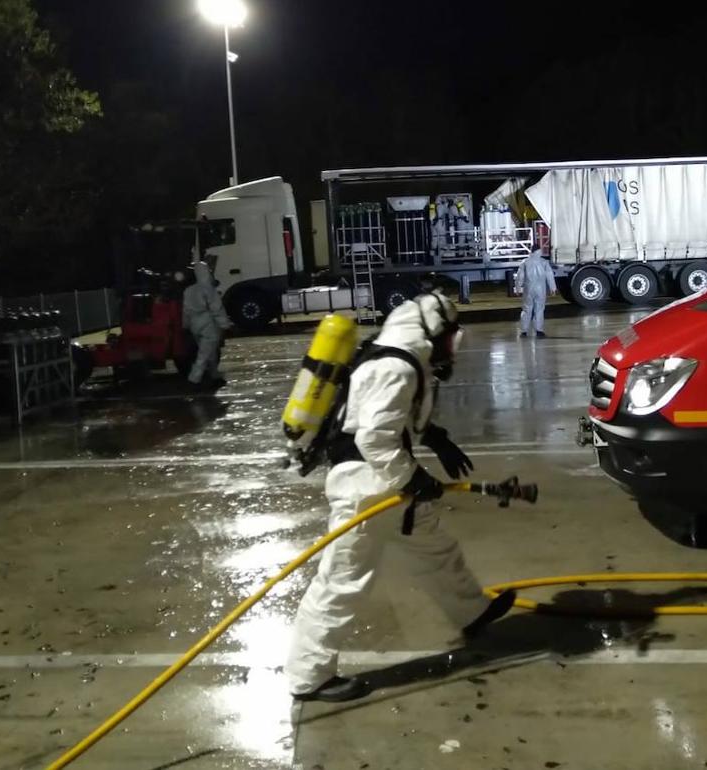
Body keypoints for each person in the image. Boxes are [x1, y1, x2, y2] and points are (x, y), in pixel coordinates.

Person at [286, 292, 516, 703]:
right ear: (431, 329)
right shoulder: (394, 366)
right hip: (365, 488)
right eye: (449, 335)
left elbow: (394, 418)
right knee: (341, 582)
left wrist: (435, 438)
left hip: (382, 484)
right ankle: (309, 677)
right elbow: (374, 435)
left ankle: (471, 612)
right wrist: (411, 478)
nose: (452, 345)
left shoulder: (399, 357)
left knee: (434, 547)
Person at [182, 260, 230, 390]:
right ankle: (194, 379)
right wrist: (225, 325)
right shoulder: (208, 289)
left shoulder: (189, 290)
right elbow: (217, 308)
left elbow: (186, 310)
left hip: (194, 324)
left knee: (210, 352)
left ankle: (215, 377)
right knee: (204, 354)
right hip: (208, 323)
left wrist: (186, 325)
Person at [517, 248, 557, 338]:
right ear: (539, 251)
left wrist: (518, 288)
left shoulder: (525, 262)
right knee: (539, 309)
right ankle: (539, 331)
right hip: (540, 289)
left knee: (527, 309)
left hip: (528, 289)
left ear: (531, 251)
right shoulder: (544, 262)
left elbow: (520, 277)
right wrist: (553, 288)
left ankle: (524, 331)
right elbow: (550, 275)